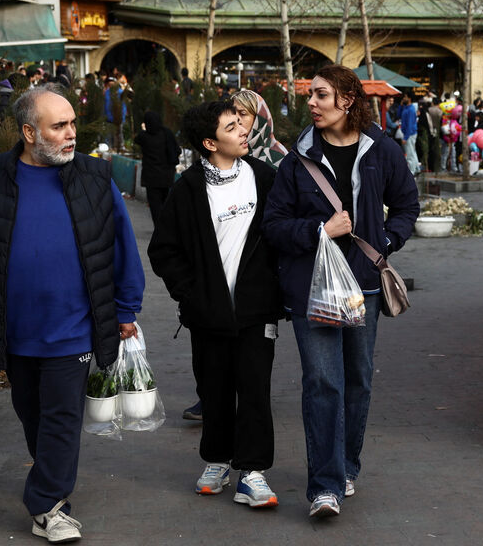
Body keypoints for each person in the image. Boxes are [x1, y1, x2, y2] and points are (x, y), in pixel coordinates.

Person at [0, 83, 144, 542]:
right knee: (32, 413)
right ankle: (49, 490)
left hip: (74, 328)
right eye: (59, 126)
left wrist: (127, 307)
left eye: (72, 124)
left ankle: (48, 505)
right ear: (29, 133)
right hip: (11, 330)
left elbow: (121, 247)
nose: (71, 134)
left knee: (62, 418)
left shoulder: (95, 176)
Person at [263, 65, 419, 519]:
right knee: (322, 382)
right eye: (311, 95)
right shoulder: (298, 159)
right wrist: (319, 231)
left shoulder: (381, 150)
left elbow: (407, 205)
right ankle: (324, 487)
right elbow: (274, 226)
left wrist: (386, 241)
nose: (311, 103)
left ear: (347, 100)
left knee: (357, 380)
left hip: (362, 288)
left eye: (321, 95)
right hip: (310, 289)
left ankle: (347, 466)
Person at [147, 100, 285, 509]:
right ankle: (217, 461)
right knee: (215, 389)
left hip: (257, 310)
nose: (243, 130)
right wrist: (191, 294)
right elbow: (163, 250)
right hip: (208, 314)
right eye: (231, 126)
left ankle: (253, 472)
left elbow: (282, 234)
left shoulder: (265, 177)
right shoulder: (188, 188)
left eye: (241, 122)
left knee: (255, 390)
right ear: (210, 143)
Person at [134, 110, 180, 224]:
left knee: (155, 205)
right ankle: (166, 227)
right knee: (165, 202)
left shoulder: (144, 136)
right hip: (166, 175)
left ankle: (159, 228)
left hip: (151, 177)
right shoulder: (166, 133)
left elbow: (136, 139)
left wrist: (144, 129)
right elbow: (177, 150)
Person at [232, 89, 289, 168]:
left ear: (259, 119)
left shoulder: (279, 157)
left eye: (242, 113)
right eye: (233, 113)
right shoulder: (225, 149)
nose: (236, 118)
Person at [399, 94, 419, 174]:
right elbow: (398, 115)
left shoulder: (410, 109)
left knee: (410, 154)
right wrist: (401, 106)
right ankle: (416, 169)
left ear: (409, 99)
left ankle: (412, 172)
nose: (404, 98)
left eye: (405, 97)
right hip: (410, 133)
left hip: (410, 134)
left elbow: (410, 125)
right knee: (412, 152)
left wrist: (405, 137)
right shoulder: (407, 108)